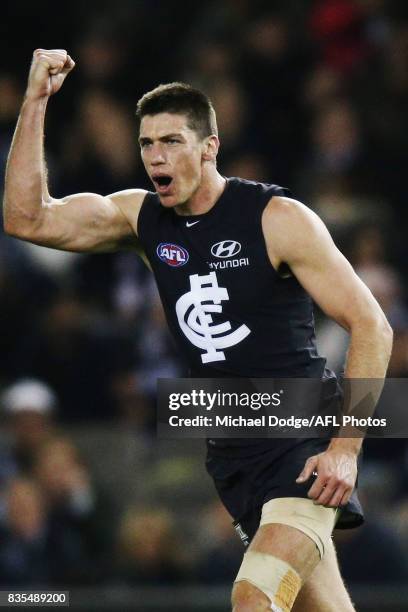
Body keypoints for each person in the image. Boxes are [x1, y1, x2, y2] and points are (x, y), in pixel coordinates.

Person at [3, 49, 393, 612]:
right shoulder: (141, 218)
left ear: (209, 148)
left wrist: (346, 449)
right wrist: (36, 98)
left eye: (171, 142)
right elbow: (25, 218)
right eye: (146, 144)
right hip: (233, 452)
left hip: (301, 442)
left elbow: (371, 325)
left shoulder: (276, 218)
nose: (155, 157)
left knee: (254, 598)